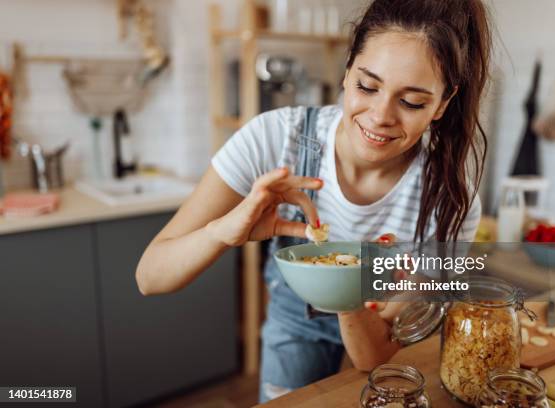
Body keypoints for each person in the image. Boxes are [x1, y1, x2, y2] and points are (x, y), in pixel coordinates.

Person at [136, 0, 492, 402]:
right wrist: (223, 232)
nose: (379, 116)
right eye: (367, 86)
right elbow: (150, 277)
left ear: (443, 103)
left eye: (411, 102)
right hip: (295, 324)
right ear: (346, 71)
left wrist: (346, 292)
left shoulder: (449, 200)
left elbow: (376, 356)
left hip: (370, 336)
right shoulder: (275, 138)